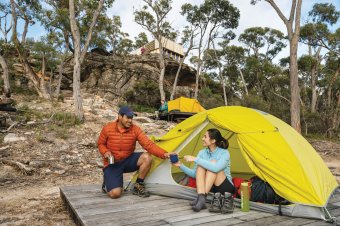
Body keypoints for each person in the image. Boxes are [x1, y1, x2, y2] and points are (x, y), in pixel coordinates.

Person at [98, 106, 170, 199]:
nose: (130, 120)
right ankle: (108, 180)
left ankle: (138, 185)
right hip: (112, 163)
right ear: (120, 116)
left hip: (128, 160)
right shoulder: (108, 128)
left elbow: (148, 144)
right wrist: (105, 151)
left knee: (147, 157)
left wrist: (164, 154)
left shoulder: (135, 129)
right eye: (128, 117)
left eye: (131, 118)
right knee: (115, 194)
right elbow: (100, 144)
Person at [172, 128, 235, 213]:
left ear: (213, 140)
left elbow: (216, 168)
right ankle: (201, 198)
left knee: (213, 164)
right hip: (212, 188)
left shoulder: (224, 153)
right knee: (200, 167)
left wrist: (195, 159)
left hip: (225, 187)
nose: (202, 139)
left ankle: (201, 198)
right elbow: (195, 174)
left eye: (205, 137)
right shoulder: (202, 153)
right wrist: (180, 165)